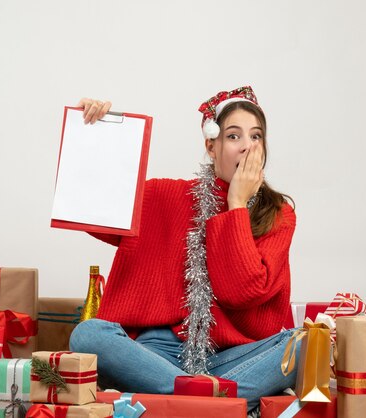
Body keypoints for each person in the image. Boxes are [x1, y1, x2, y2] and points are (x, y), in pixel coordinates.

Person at [69, 86, 299, 411]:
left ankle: (188, 401)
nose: (247, 146)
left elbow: (240, 290)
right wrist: (94, 133)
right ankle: (209, 402)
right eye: (234, 136)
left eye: (256, 136)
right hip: (156, 355)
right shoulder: (165, 196)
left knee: (302, 345)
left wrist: (236, 204)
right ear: (211, 145)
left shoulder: (278, 214)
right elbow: (89, 208)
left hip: (233, 358)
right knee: (88, 335)